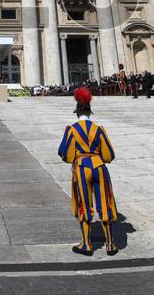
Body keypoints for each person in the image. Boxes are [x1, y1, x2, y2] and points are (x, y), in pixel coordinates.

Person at [58, 87, 119, 256]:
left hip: (82, 168)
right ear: (90, 113)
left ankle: (86, 244)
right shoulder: (99, 129)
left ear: (77, 112)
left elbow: (65, 153)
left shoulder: (71, 130)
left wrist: (77, 157)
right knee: (105, 203)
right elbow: (109, 155)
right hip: (99, 167)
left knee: (84, 205)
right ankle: (111, 244)